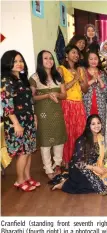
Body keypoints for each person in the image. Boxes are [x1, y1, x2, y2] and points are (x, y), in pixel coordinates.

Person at [52, 115, 107, 194]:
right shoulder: (82, 141)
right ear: (88, 126)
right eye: (93, 124)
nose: (96, 126)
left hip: (94, 166)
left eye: (98, 123)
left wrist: (100, 167)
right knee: (98, 185)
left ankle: (68, 181)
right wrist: (94, 168)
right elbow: (77, 163)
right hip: (80, 168)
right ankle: (64, 184)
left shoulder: (100, 138)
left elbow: (100, 157)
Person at [1, 50, 38, 191]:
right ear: (7, 63)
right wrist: (16, 124)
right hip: (16, 121)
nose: (19, 63)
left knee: (28, 150)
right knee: (22, 152)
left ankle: (27, 177)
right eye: (15, 61)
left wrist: (33, 116)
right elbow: (7, 105)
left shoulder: (22, 79)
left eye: (20, 60)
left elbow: (28, 101)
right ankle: (19, 180)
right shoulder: (6, 80)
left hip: (27, 119)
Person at [30, 50, 67, 179]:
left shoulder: (58, 76)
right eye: (45, 58)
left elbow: (64, 95)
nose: (49, 61)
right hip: (43, 114)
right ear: (40, 61)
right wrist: (46, 95)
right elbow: (32, 97)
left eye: (51, 58)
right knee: (45, 141)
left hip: (57, 113)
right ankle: (48, 168)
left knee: (58, 139)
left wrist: (57, 94)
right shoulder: (35, 78)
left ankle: (57, 165)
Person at [58, 45, 88, 166]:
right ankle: (66, 160)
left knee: (80, 132)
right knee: (68, 133)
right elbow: (62, 88)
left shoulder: (81, 69)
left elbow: (85, 90)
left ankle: (78, 159)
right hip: (67, 104)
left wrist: (82, 81)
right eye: (73, 52)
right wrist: (75, 79)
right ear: (66, 54)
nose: (76, 55)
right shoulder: (60, 69)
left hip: (79, 104)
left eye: (77, 53)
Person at [83, 51, 107, 128]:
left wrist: (99, 80)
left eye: (95, 59)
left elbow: (105, 90)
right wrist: (93, 80)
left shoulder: (102, 73)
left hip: (100, 104)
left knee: (99, 125)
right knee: (88, 125)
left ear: (98, 60)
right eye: (91, 59)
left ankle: (99, 140)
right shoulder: (83, 72)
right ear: (87, 60)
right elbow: (81, 88)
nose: (93, 61)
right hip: (87, 103)